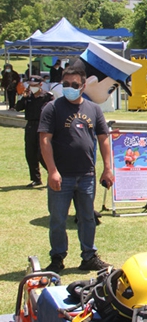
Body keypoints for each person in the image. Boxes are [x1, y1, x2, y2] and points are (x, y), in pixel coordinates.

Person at [38, 67, 113, 274]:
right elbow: (44, 140)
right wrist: (52, 171)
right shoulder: (52, 108)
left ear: (83, 86)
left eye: (74, 85)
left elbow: (103, 139)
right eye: (66, 84)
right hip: (61, 176)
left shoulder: (94, 109)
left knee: (87, 218)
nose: (69, 88)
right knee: (57, 219)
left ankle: (89, 256)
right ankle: (57, 258)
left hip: (87, 175)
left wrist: (107, 168)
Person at [15, 76, 54, 187]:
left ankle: (53, 174)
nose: (32, 87)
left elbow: (53, 111)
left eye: (34, 85)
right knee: (30, 153)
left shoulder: (47, 96)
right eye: (30, 85)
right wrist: (23, 97)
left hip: (43, 126)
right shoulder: (28, 96)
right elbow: (18, 108)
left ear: (40, 85)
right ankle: (36, 179)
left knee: (42, 154)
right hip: (30, 126)